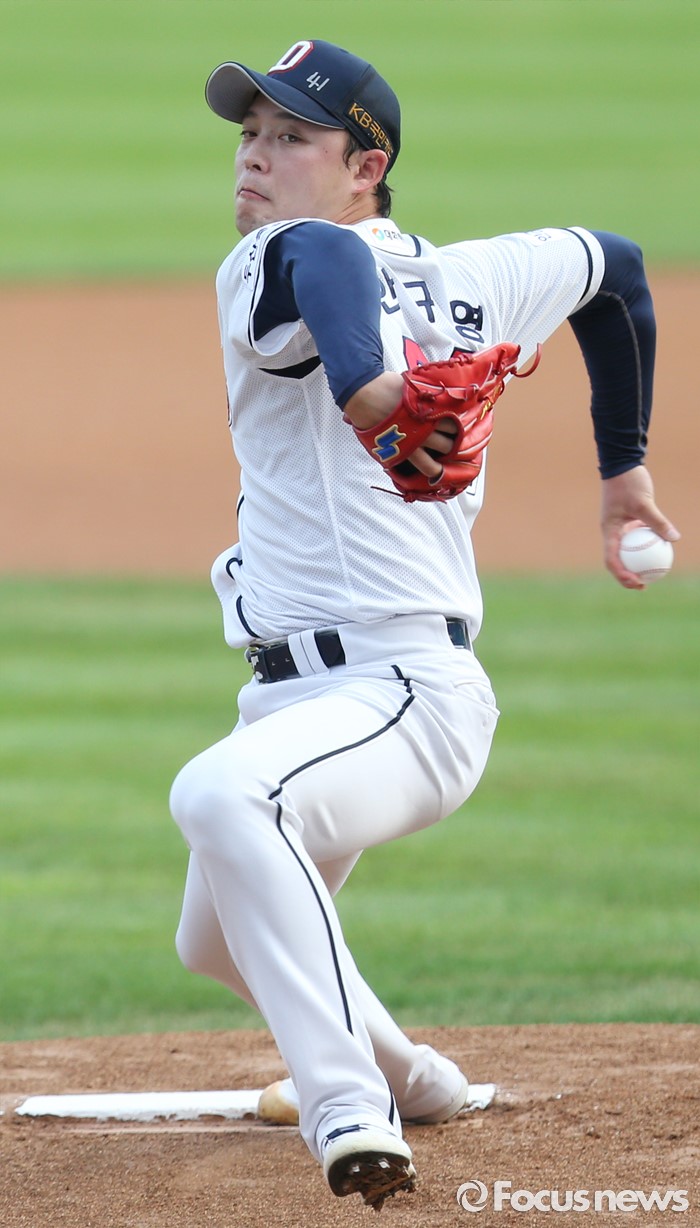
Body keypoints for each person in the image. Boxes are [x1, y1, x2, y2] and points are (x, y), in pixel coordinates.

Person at [169, 39, 680, 1210]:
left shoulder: (274, 256)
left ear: (368, 166)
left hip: (403, 694)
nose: (255, 158)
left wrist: (372, 391)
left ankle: (347, 1104)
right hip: (298, 701)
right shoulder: (466, 278)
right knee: (214, 940)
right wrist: (621, 470)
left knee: (221, 797)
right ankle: (417, 1077)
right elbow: (612, 270)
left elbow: (326, 258)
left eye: (291, 137)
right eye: (250, 134)